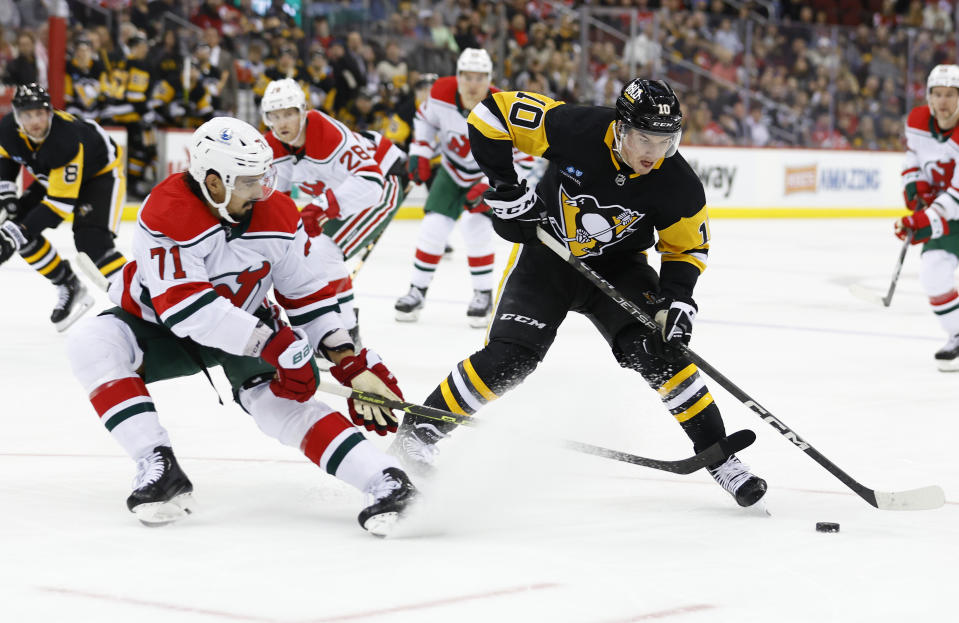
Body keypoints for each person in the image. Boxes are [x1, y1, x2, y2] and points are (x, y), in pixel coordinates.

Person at [388, 79, 768, 508]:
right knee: (509, 358)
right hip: (546, 258)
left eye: (666, 141)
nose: (653, 153)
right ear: (621, 128)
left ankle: (721, 458)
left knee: (661, 352)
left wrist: (678, 300)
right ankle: (418, 432)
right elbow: (489, 115)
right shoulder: (575, 127)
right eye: (644, 138)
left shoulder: (678, 182)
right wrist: (509, 188)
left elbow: (688, 247)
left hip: (619, 270)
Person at [65, 117, 417, 534]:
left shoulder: (279, 215)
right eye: (250, 181)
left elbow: (306, 293)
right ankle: (157, 463)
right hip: (161, 325)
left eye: (264, 176)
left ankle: (386, 479)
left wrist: (349, 361)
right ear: (213, 181)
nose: (263, 189)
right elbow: (187, 309)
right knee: (92, 342)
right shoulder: (167, 212)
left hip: (248, 325)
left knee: (277, 406)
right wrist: (274, 346)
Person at [260, 78, 407, 348]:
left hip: (383, 180)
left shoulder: (326, 132)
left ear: (302, 112)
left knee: (324, 250)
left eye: (289, 113)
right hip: (347, 188)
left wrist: (319, 207)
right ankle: (331, 328)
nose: (282, 123)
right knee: (308, 250)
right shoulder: (274, 147)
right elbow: (276, 202)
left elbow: (370, 183)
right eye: (275, 115)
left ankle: (348, 334)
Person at [394, 48, 534, 328]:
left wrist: (492, 185)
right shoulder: (439, 94)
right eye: (467, 77)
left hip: (489, 177)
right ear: (457, 77)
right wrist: (419, 152)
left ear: (489, 79)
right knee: (432, 228)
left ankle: (483, 294)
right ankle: (417, 291)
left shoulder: (503, 106)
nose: (473, 84)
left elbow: (526, 159)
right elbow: (424, 120)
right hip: (452, 170)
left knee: (475, 229)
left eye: (480, 78)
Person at [0, 83, 127, 331]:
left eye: (39, 113)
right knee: (18, 225)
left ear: (49, 112)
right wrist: (7, 197)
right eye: (28, 115)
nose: (35, 121)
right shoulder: (7, 129)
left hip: (98, 175)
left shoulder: (65, 139)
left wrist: (15, 233)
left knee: (92, 243)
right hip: (55, 174)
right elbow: (6, 156)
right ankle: (69, 284)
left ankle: (141, 300)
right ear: (17, 116)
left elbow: (58, 205)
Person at [895, 64, 959, 372]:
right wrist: (914, 184)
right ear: (928, 97)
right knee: (933, 274)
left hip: (952, 207)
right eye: (937, 94)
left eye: (950, 94)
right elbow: (913, 157)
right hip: (948, 214)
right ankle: (957, 334)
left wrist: (921, 220)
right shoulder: (918, 121)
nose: (943, 101)